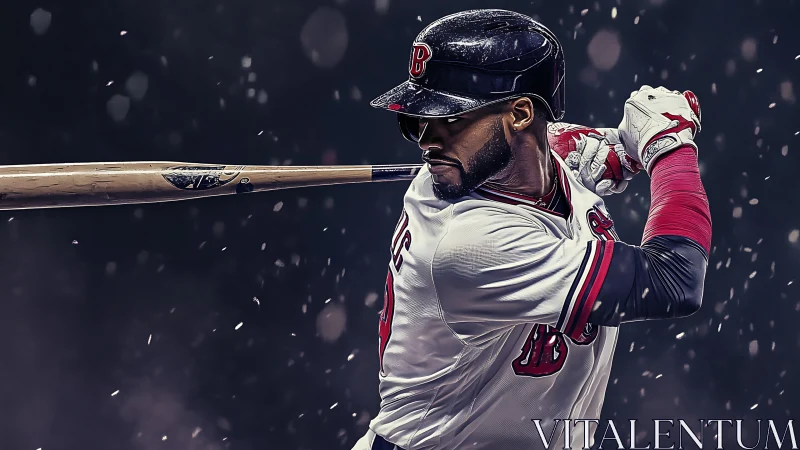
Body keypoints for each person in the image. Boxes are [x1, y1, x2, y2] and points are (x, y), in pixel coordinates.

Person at [354, 9, 710, 450]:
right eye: (416, 120)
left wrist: (574, 147)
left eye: (448, 118)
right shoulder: (466, 244)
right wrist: (669, 148)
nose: (427, 140)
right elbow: (674, 281)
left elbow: (541, 153)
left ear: (522, 114)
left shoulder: (504, 169)